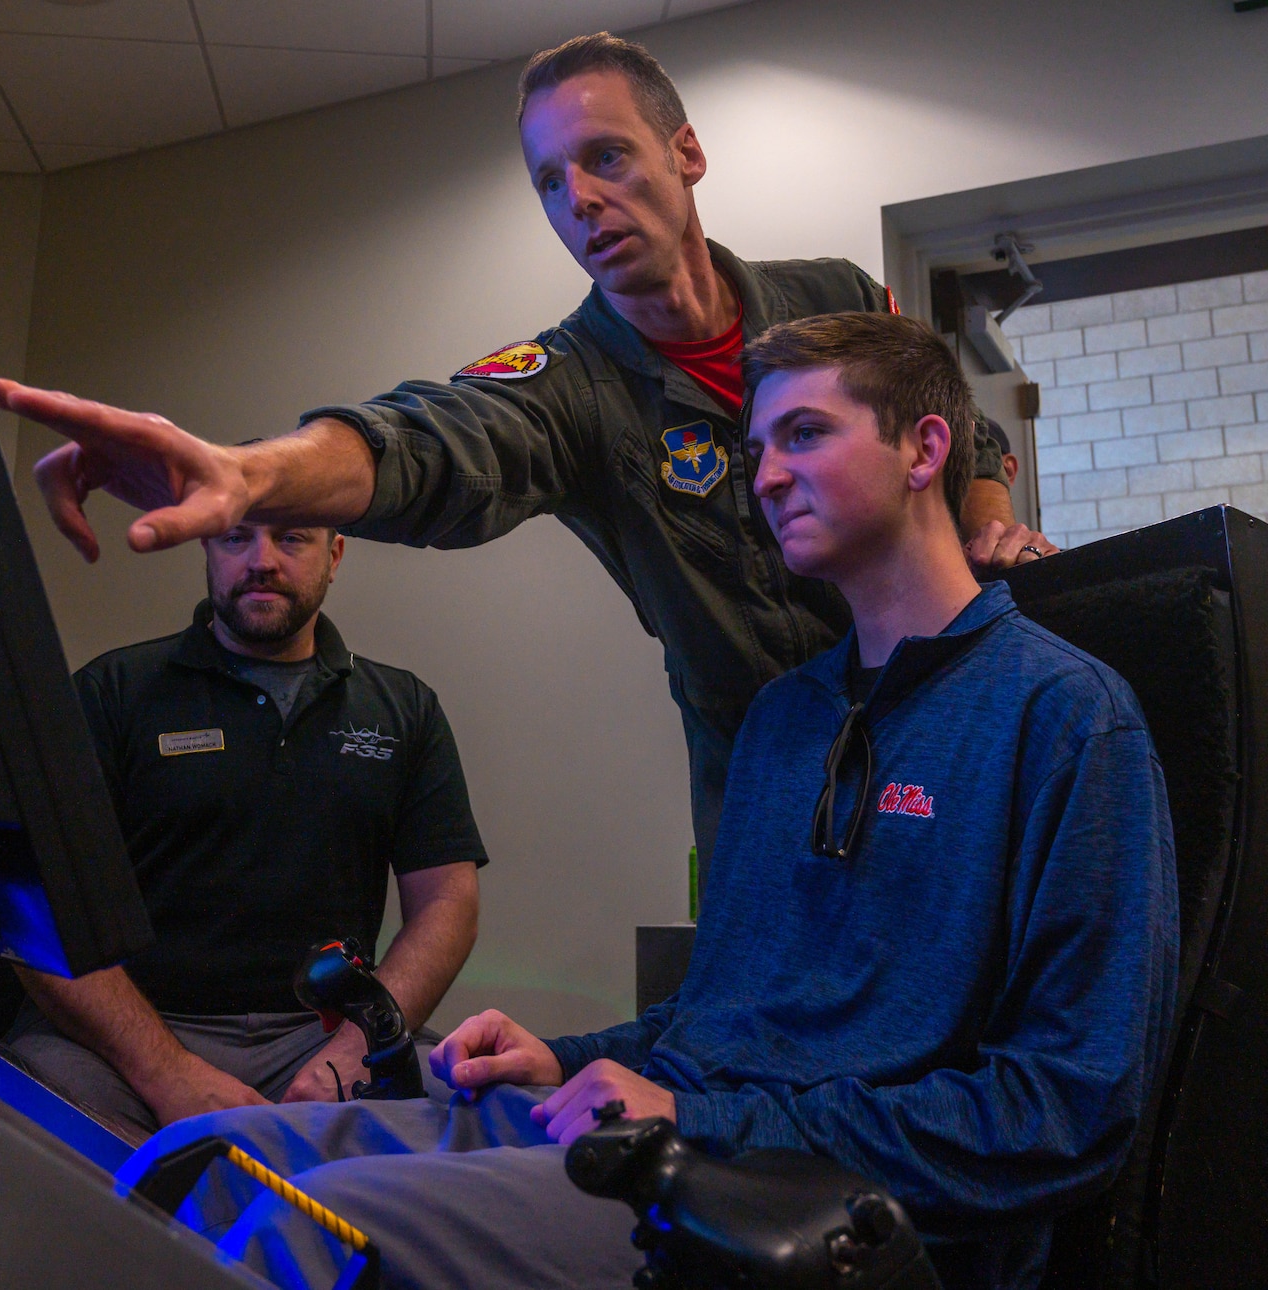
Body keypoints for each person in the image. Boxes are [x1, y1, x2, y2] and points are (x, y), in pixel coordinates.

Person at [138, 312, 1177, 1290]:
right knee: (198, 1162)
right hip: (684, 1134)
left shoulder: (1063, 716)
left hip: (811, 1202)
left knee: (307, 1230)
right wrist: (563, 1060)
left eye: (805, 434)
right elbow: (716, 1022)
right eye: (756, 448)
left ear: (924, 450)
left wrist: (698, 1117)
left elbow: (1063, 1113)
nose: (765, 477)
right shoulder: (784, 719)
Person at [0, 32, 1059, 875]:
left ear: (685, 154)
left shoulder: (833, 298)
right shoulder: (565, 384)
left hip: (952, 720)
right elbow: (434, 443)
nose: (578, 199)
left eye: (605, 157)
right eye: (548, 181)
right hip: (775, 787)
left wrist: (983, 526)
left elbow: (956, 425)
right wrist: (251, 476)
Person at [9, 520, 487, 1138]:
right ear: (206, 548)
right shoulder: (111, 693)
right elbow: (31, 905)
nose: (261, 559)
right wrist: (167, 1073)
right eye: (237, 538)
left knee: (485, 1109)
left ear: (334, 554)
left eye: (292, 538)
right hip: (127, 1042)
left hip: (322, 1039)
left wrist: (349, 1056)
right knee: (35, 1122)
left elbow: (448, 902)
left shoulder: (404, 710)